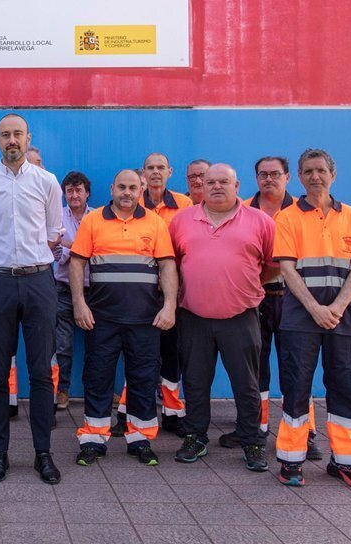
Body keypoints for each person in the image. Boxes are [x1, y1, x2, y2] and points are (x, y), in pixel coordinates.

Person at [0, 113, 63, 484]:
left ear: (28, 138)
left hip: (39, 281)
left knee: (40, 372)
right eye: (5, 134)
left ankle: (43, 453)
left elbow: (54, 230)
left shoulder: (47, 181)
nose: (12, 140)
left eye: (18, 134)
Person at [274, 149, 351, 489]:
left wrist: (338, 307)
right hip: (300, 317)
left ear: (333, 174)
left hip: (342, 318)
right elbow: (287, 269)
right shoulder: (287, 217)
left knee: (342, 386)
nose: (315, 176)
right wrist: (315, 308)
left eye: (320, 170)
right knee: (296, 386)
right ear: (299, 177)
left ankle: (345, 461)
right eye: (308, 171)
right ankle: (291, 459)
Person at [169, 164, 272, 473]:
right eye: (210, 181)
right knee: (195, 381)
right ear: (201, 185)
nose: (216, 186)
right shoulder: (181, 220)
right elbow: (172, 264)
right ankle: (195, 437)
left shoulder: (260, 221)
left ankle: (252, 441)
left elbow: (274, 264)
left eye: (223, 181)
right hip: (194, 316)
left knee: (246, 383)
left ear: (236, 185)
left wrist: (246, 284)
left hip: (241, 316)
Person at [71, 169, 177, 467]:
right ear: (112, 188)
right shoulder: (93, 221)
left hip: (145, 319)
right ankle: (93, 439)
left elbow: (167, 266)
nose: (127, 192)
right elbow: (77, 263)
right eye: (121, 187)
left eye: (132, 187)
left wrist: (170, 306)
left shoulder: (155, 223)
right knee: (97, 377)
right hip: (101, 318)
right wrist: (79, 303)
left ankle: (140, 439)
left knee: (143, 378)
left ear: (140, 190)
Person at [220, 156, 320, 459]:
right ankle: (255, 428)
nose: (268, 179)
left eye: (275, 174)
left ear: (288, 177)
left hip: (293, 299)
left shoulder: (303, 211)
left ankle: (305, 434)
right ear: (255, 178)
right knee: (255, 368)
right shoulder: (243, 210)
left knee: (296, 368)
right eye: (263, 174)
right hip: (256, 300)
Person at [116, 152, 193, 438]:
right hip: (141, 293)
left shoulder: (184, 205)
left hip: (173, 293)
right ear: (143, 174)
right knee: (136, 354)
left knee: (172, 355)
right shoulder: (132, 203)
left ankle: (172, 412)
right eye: (150, 168)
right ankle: (127, 411)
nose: (156, 172)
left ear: (170, 172)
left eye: (161, 167)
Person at [53, 171, 95, 410]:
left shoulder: (98, 217)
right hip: (62, 289)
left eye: (79, 190)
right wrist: (81, 248)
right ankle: (63, 390)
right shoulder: (57, 216)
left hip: (94, 291)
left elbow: (99, 250)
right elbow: (55, 252)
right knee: (63, 345)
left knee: (98, 345)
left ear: (87, 193)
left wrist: (70, 246)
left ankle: (98, 390)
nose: (74, 195)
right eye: (69, 191)